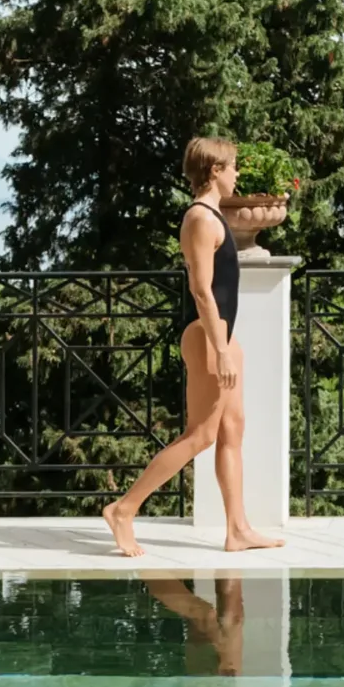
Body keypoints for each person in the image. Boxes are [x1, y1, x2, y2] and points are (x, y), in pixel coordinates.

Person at [102, 137, 285, 557]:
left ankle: (237, 529)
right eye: (233, 166)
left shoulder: (215, 216)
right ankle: (123, 509)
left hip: (222, 334)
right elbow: (201, 291)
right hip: (206, 336)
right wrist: (219, 350)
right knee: (201, 435)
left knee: (233, 428)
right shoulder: (200, 219)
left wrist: (227, 344)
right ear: (215, 171)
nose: (238, 174)